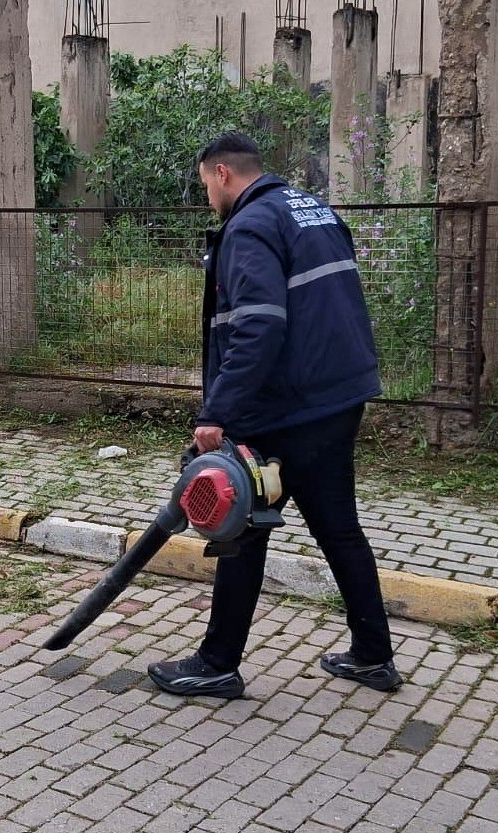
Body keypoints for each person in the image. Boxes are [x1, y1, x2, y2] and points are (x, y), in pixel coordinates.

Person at [146, 131, 403, 700]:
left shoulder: (250, 226)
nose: (208, 197)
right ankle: (372, 655)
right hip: (337, 396)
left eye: (204, 185)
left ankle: (216, 664)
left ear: (221, 174)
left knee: (241, 527)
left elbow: (259, 325)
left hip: (285, 406)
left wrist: (218, 413)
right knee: (338, 527)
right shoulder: (313, 210)